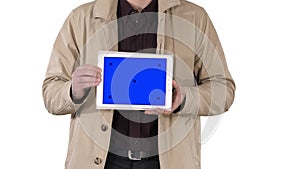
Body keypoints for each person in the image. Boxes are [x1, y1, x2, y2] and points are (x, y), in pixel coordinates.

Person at [42, 0, 235, 168]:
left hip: (169, 161)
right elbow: (51, 93)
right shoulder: (80, 19)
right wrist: (73, 91)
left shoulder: (194, 18)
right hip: (100, 161)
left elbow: (223, 89)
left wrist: (185, 99)